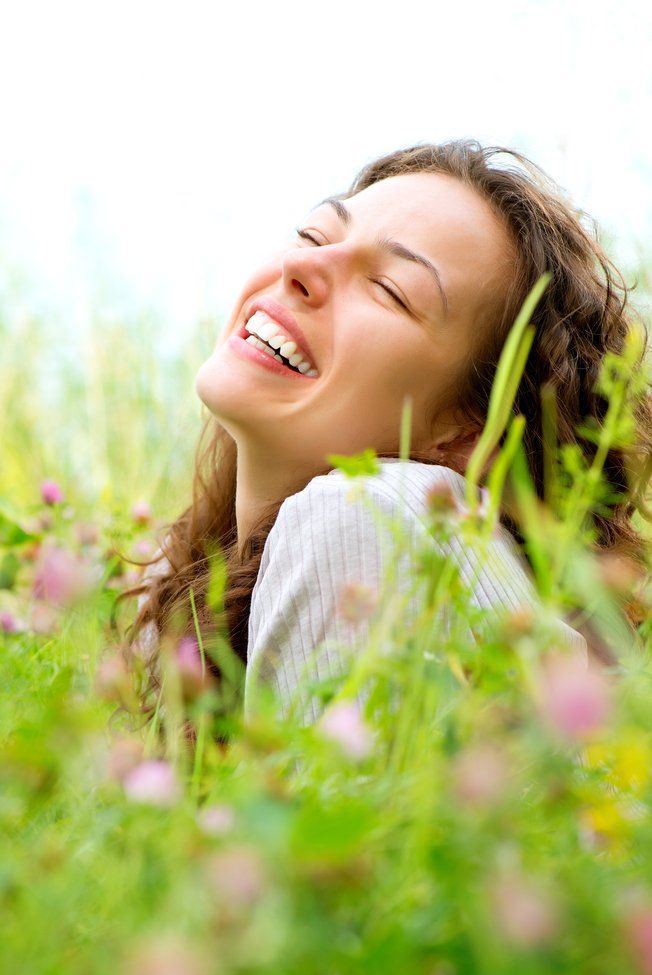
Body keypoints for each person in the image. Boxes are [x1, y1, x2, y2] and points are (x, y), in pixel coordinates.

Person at [118, 139, 651, 727]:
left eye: (390, 290)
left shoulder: (365, 511)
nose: (301, 268)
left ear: (467, 432)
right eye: (315, 236)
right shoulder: (186, 591)